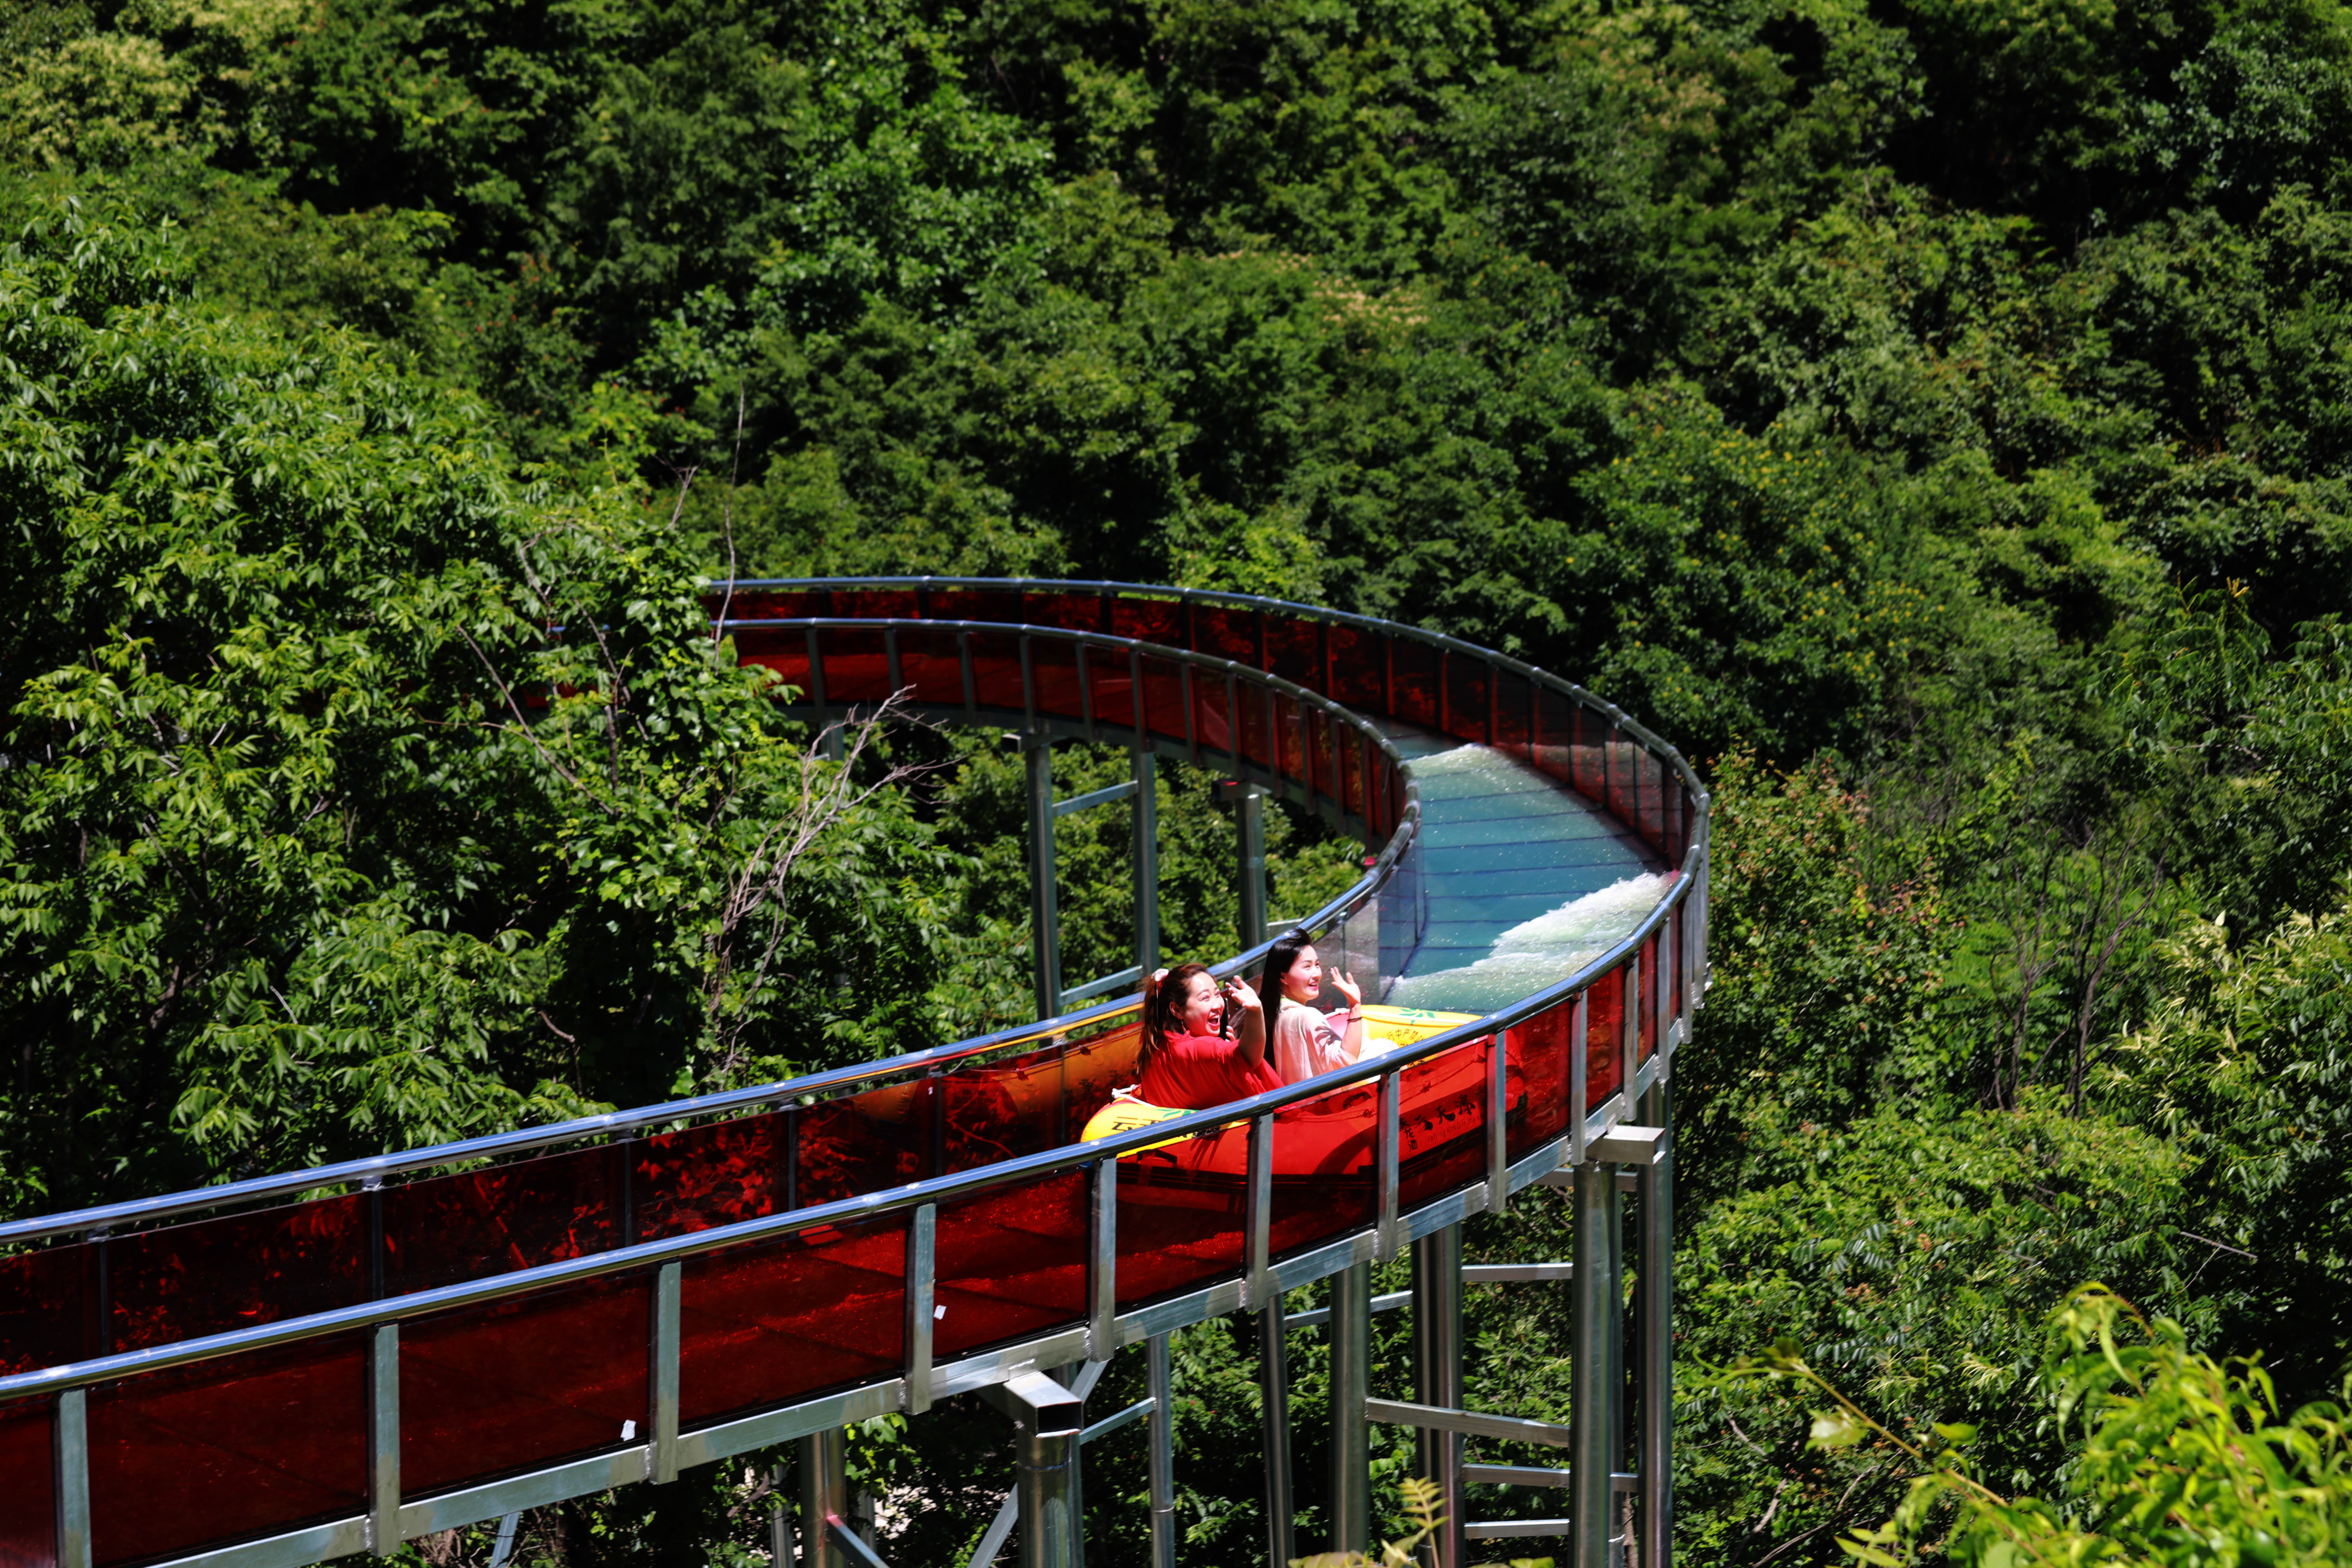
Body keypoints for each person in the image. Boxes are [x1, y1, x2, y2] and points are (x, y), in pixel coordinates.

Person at [1135, 962, 1279, 1109]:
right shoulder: (1198, 1049)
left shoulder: (1158, 1045)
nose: (1217, 1005)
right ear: (1177, 1010)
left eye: (1217, 994)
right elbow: (1248, 1057)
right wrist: (1255, 1011)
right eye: (1205, 998)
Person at [1260, 933, 1367, 1084]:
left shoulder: (1272, 1014)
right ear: (1283, 977)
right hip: (1320, 1106)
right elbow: (1345, 1064)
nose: (1317, 974)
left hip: (1294, 1105)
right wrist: (1355, 1006)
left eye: (1317, 965)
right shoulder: (1307, 1016)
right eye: (1307, 967)